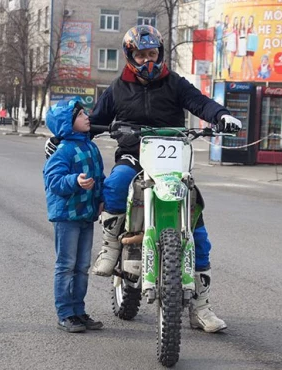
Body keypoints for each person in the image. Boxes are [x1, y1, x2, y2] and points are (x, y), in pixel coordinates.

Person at [72, 25, 240, 333]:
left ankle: (201, 307)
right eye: (141, 55)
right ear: (130, 57)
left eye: (152, 54)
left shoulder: (174, 83)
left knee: (197, 228)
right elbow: (94, 121)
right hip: (134, 154)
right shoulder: (118, 88)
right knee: (116, 184)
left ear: (160, 54)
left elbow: (200, 102)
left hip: (174, 160)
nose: (148, 61)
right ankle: (111, 246)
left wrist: (221, 115)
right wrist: (67, 137)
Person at [43, 98, 106, 333]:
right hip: (67, 217)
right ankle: (65, 313)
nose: (87, 117)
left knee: (82, 266)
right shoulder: (63, 151)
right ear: (67, 124)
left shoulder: (90, 147)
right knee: (66, 265)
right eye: (80, 115)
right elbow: (53, 181)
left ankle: (79, 311)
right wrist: (75, 181)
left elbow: (99, 176)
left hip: (85, 215)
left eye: (85, 113)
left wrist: (101, 199)